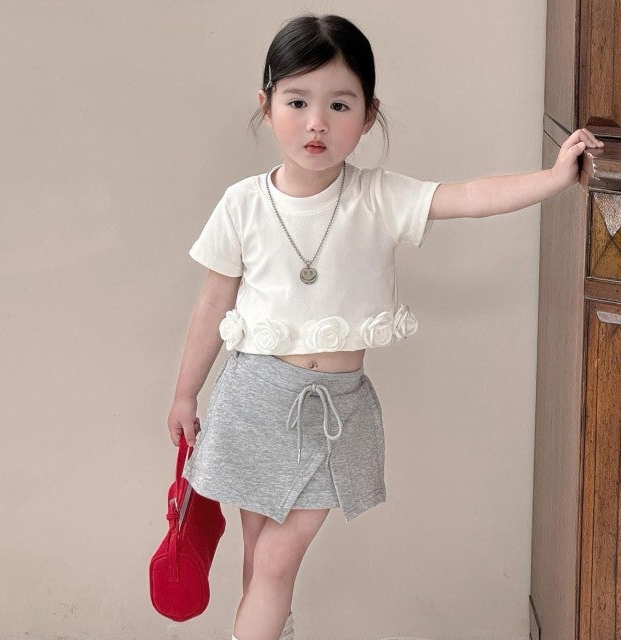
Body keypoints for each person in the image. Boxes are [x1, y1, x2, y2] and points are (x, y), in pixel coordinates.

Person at [166, 13, 604, 640]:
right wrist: (185, 394)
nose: (317, 122)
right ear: (266, 106)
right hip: (253, 400)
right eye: (297, 101)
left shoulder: (378, 197)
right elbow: (213, 305)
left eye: (339, 104)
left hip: (335, 410)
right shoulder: (242, 203)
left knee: (275, 561)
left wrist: (555, 177)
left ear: (369, 115)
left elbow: (468, 196)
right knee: (259, 561)